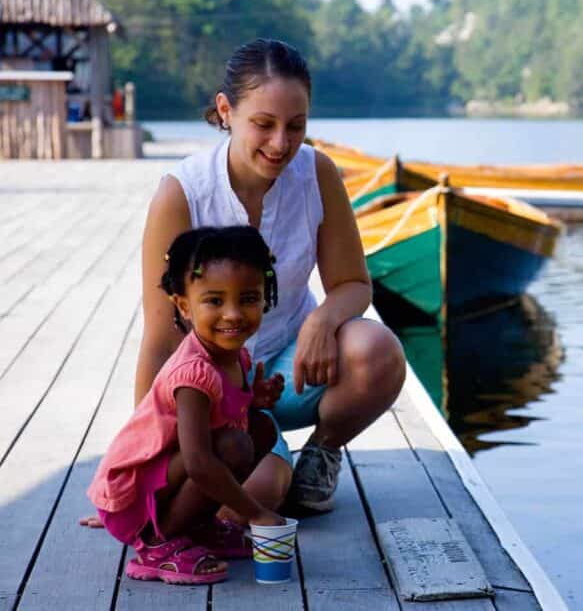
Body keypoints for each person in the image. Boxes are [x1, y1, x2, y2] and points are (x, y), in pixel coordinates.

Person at [81, 38, 405, 529]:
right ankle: (270, 460)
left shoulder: (317, 173)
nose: (281, 144)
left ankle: (322, 451)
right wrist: (134, 475)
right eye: (264, 124)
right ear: (226, 111)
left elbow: (354, 284)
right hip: (216, 390)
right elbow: (162, 334)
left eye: (296, 126)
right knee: (247, 505)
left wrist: (322, 319)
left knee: (378, 349)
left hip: (293, 368)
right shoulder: (182, 193)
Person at [88, 226, 286, 584]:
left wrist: (253, 399)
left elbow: (221, 418)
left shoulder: (233, 355)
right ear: (184, 305)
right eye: (214, 301)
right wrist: (255, 513)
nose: (233, 314)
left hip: (164, 480)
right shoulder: (192, 373)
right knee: (233, 445)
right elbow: (198, 463)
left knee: (261, 428)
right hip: (134, 498)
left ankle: (196, 528)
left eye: (248, 299)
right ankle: (155, 545)